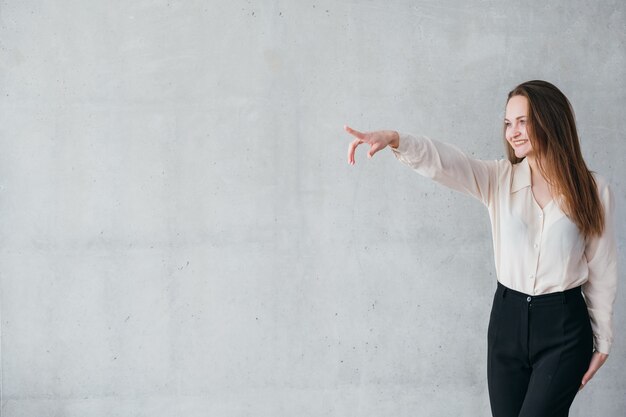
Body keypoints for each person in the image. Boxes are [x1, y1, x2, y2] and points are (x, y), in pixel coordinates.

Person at [343, 80, 617, 417]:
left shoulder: (593, 190)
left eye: (522, 121)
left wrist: (603, 340)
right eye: (507, 123)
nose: (512, 132)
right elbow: (448, 163)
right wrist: (398, 139)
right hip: (507, 323)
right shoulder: (498, 179)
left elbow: (602, 269)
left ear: (551, 120)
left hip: (563, 328)